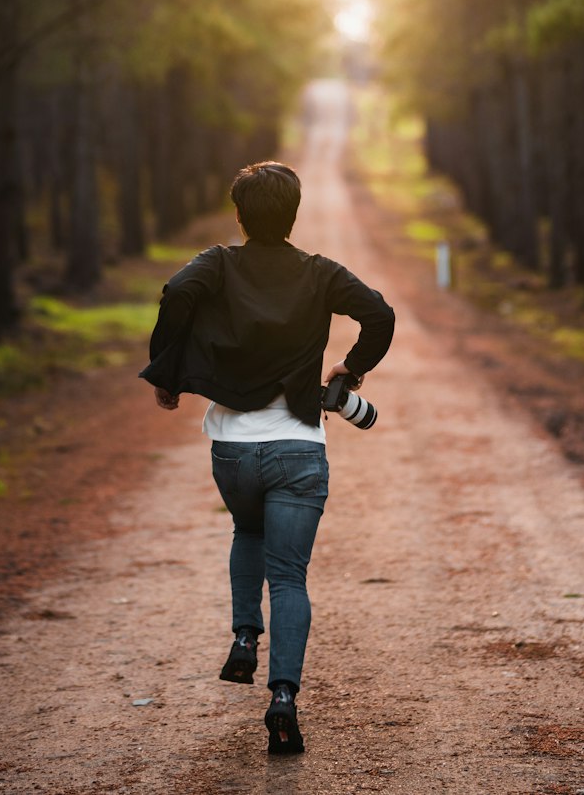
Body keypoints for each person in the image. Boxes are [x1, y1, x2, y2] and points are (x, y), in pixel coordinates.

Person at [140, 160, 395, 756]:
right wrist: (349, 369)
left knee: (245, 529)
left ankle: (244, 639)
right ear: (294, 213)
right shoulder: (319, 273)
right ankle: (283, 699)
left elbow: (178, 293)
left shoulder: (218, 263)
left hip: (232, 449)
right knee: (289, 576)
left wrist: (169, 369)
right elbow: (379, 314)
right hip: (300, 448)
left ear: (239, 214)